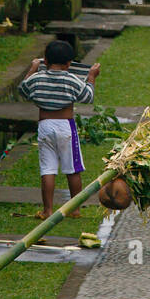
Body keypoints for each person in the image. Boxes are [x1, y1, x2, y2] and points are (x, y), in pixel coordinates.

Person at [18, 40, 101, 219]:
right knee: (72, 168)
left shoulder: (37, 79)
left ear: (45, 61)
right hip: (65, 126)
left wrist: (33, 68)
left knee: (47, 169)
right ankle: (75, 208)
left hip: (44, 126)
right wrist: (92, 77)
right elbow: (88, 96)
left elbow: (23, 89)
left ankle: (47, 210)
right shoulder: (70, 79)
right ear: (69, 64)